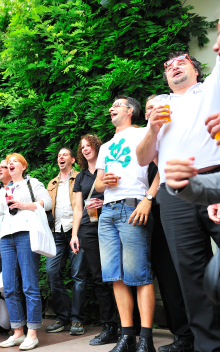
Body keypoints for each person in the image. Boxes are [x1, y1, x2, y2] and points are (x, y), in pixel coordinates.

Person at [136, 24, 220, 351]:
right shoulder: (159, 105)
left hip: (214, 179)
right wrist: (152, 128)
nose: (174, 66)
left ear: (195, 69)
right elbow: (144, 159)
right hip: (174, 194)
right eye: (168, 66)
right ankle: (207, 346)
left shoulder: (212, 88)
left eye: (181, 61)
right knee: (191, 275)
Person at [95, 96, 159, 352]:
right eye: (111, 106)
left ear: (131, 110)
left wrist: (148, 199)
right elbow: (98, 184)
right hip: (107, 212)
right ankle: (126, 337)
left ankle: (146, 339)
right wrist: (104, 182)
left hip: (133, 207)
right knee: (115, 276)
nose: (111, 108)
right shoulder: (105, 146)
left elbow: (162, 167)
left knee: (139, 275)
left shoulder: (144, 132)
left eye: (117, 105)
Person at [0, 153, 52, 351]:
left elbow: (46, 203)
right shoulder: (4, 189)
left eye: (14, 162)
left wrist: (24, 205)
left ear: (23, 167)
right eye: (9, 162)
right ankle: (17, 332)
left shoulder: (32, 183)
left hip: (26, 235)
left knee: (29, 284)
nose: (10, 164)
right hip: (6, 237)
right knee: (10, 286)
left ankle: (32, 333)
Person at [142, 96, 194, 352]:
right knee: (165, 275)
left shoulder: (175, 129)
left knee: (185, 271)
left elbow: (164, 167)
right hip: (148, 216)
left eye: (157, 106)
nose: (153, 110)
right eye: (148, 108)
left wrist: (149, 197)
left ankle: (193, 334)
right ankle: (181, 334)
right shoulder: (142, 138)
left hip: (169, 205)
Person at [70, 135, 119, 346]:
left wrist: (104, 200)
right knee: (98, 278)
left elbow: (119, 192)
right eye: (82, 147)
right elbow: (78, 208)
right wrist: (74, 234)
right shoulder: (80, 177)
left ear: (97, 147)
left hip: (111, 224)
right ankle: (108, 325)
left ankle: (126, 324)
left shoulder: (108, 168)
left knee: (117, 275)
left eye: (88, 145)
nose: (85, 149)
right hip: (88, 229)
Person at [45, 147, 88, 336]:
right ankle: (63, 317)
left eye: (64, 155)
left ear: (72, 160)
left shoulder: (80, 178)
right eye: (58, 155)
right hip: (56, 233)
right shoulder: (52, 183)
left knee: (78, 276)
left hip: (75, 231)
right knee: (52, 273)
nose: (60, 157)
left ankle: (77, 320)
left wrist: (76, 233)